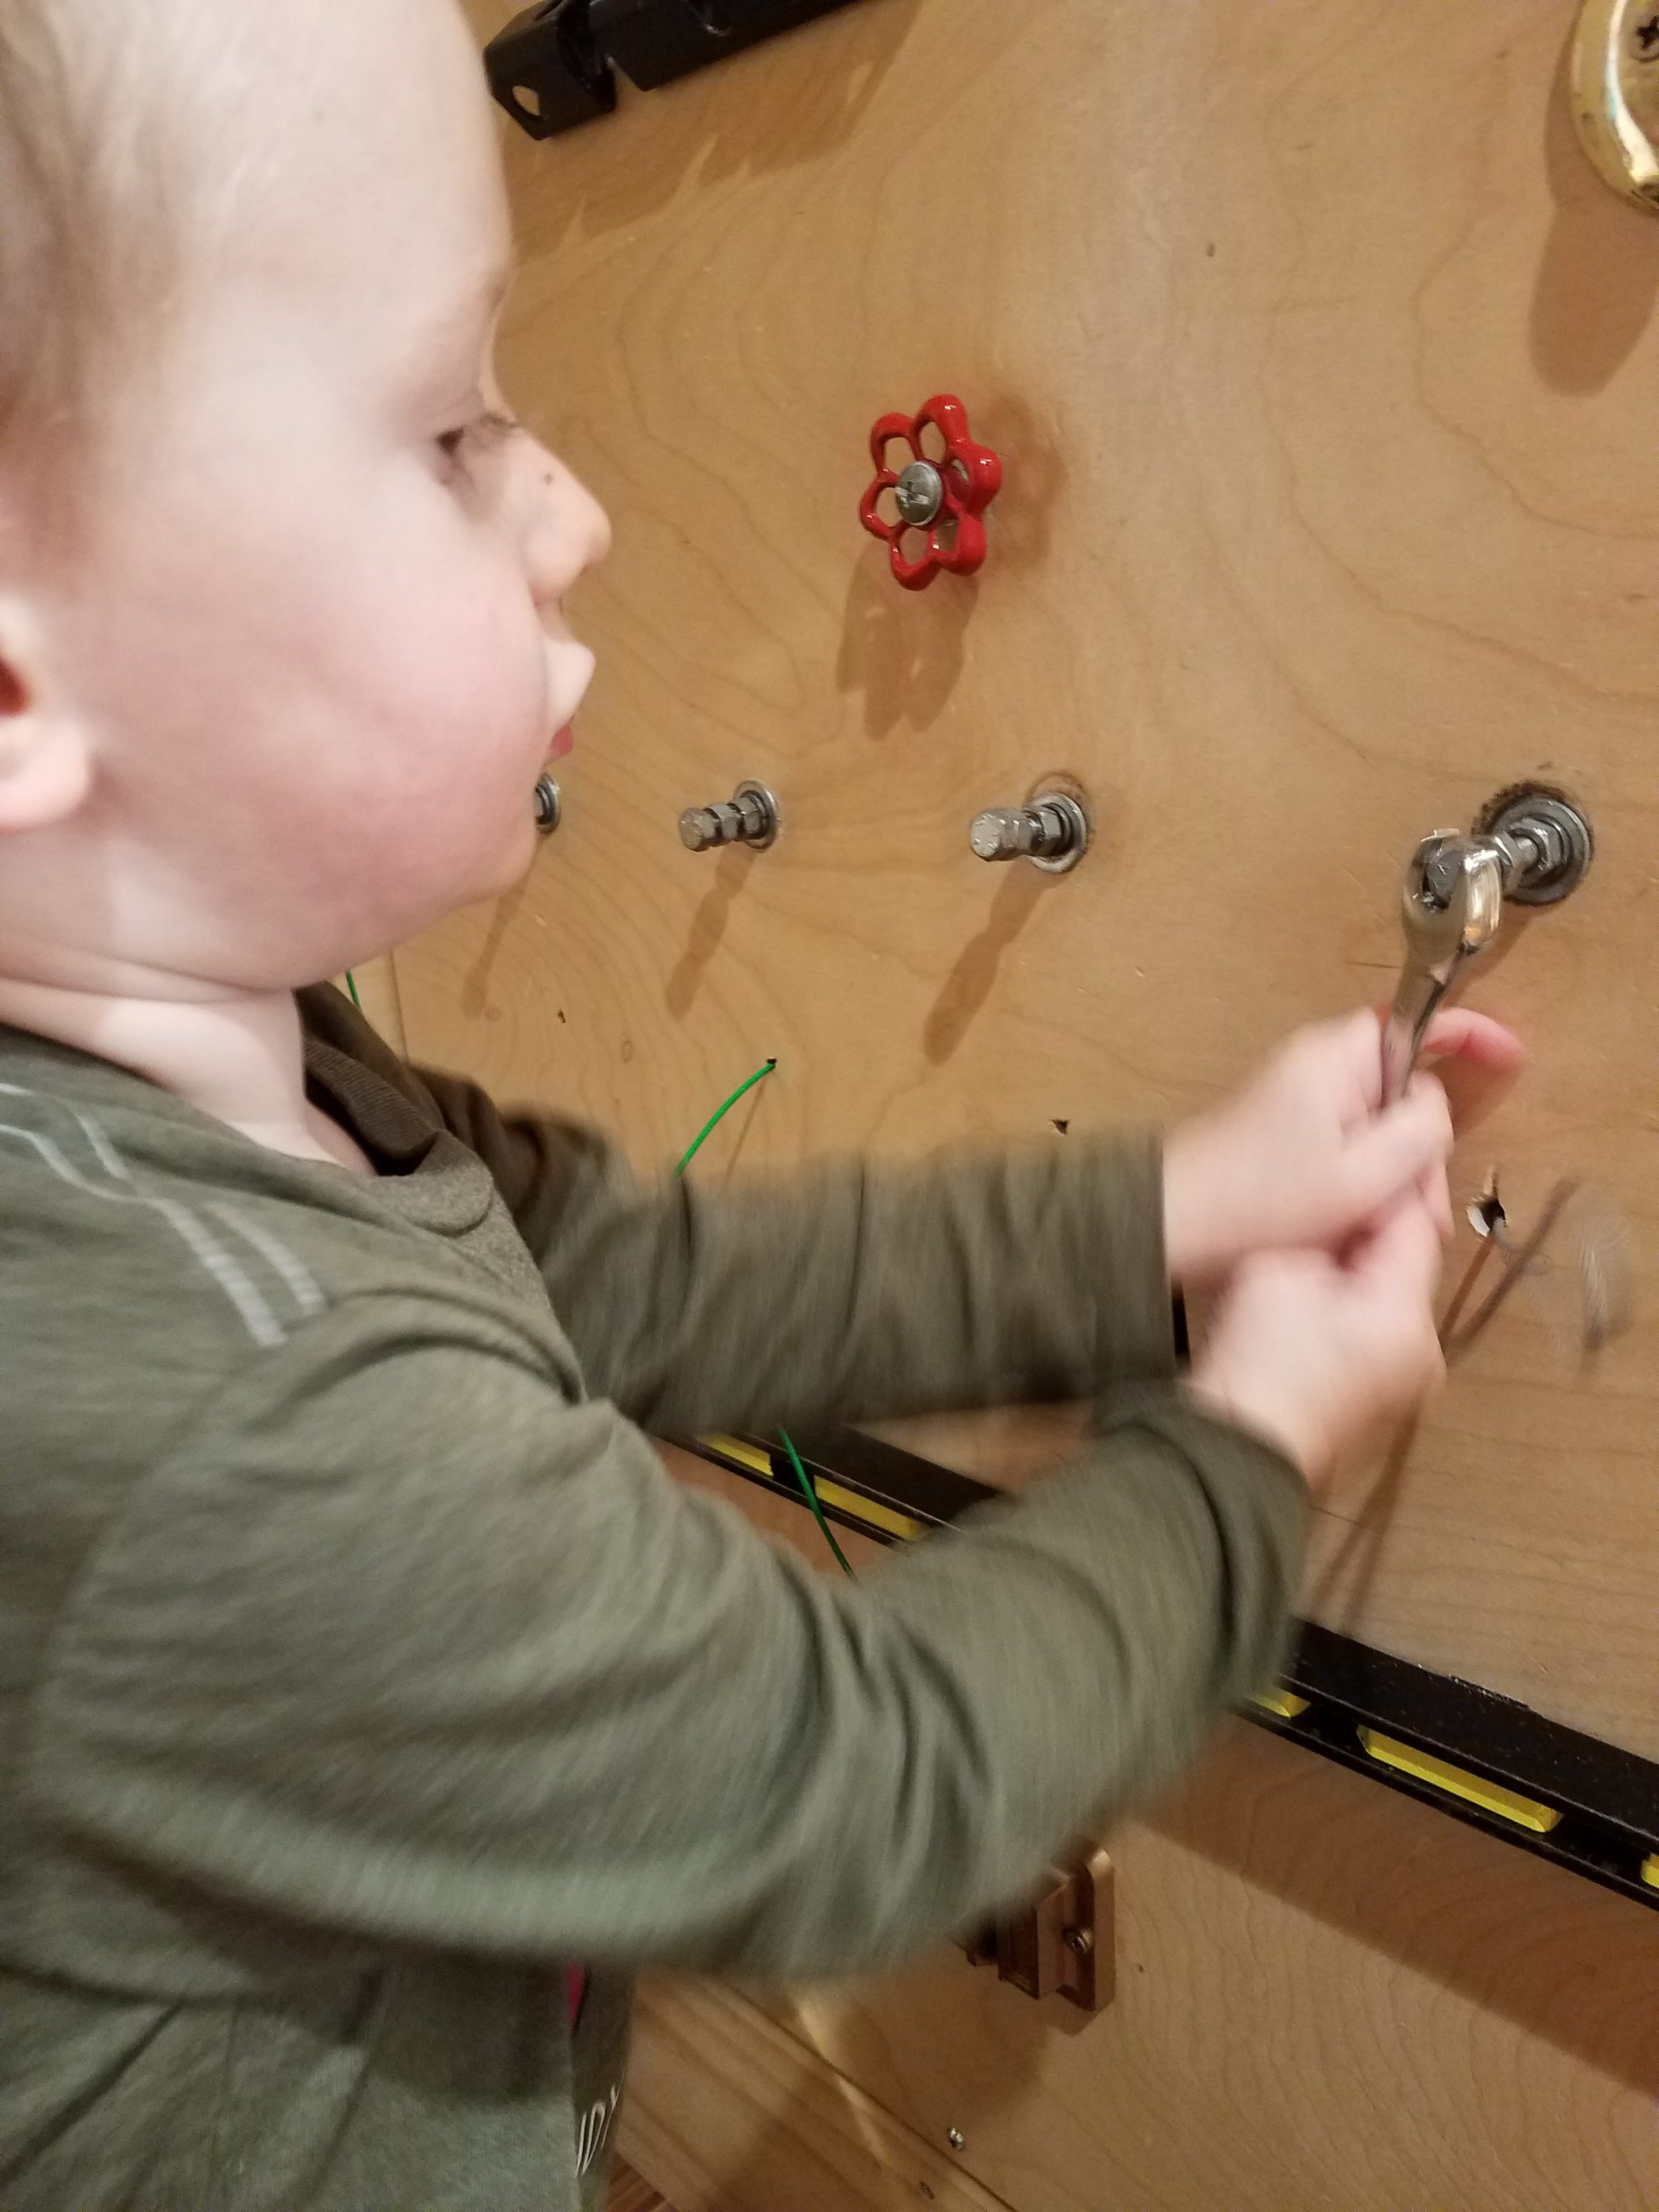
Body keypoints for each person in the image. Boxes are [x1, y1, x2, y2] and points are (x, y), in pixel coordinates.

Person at [0, 3, 1522, 2207]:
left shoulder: (242, 1072)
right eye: (448, 429)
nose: (577, 512)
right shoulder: (231, 1411)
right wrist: (1258, 1440)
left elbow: (650, 1282)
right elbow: (863, 1786)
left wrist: (1177, 1209)